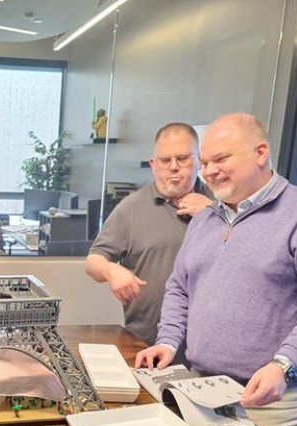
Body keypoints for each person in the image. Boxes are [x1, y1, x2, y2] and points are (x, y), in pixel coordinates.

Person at [135, 113, 297, 426]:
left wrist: (284, 364)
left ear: (261, 152)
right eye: (205, 162)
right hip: (202, 389)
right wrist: (168, 340)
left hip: (274, 401)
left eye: (221, 159)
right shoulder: (206, 218)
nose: (209, 171)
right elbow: (180, 287)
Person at [85, 122, 212, 345]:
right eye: (165, 160)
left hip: (209, 344)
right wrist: (109, 269)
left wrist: (213, 214)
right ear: (153, 164)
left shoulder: (223, 204)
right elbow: (93, 262)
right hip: (146, 342)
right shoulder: (131, 208)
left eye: (182, 158)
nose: (174, 167)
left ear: (199, 160)